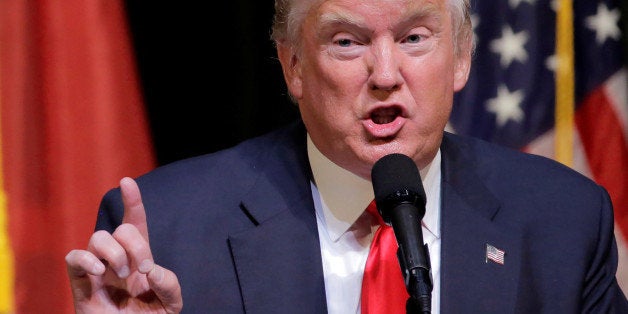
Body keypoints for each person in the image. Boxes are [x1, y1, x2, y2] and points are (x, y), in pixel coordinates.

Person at [65, 0, 628, 312]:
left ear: (461, 59)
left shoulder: (564, 222)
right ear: (292, 68)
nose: (385, 76)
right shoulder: (169, 232)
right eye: (347, 41)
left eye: (414, 38)